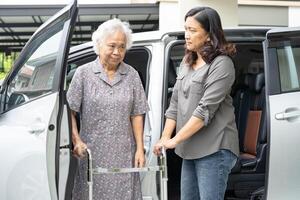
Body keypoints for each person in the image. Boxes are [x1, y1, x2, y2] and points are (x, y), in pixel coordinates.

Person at [153, 7, 239, 200]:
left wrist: (174, 140)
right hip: (190, 149)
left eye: (193, 30)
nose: (187, 35)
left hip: (214, 148)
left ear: (209, 35)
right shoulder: (187, 61)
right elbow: (174, 103)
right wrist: (164, 137)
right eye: (186, 29)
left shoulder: (221, 64)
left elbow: (205, 111)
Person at [67, 18, 148, 200]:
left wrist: (140, 149)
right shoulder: (83, 74)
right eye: (111, 46)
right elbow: (69, 111)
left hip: (124, 153)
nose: (117, 52)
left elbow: (137, 114)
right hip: (92, 153)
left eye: (122, 47)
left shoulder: (132, 74)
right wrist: (76, 140)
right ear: (98, 44)